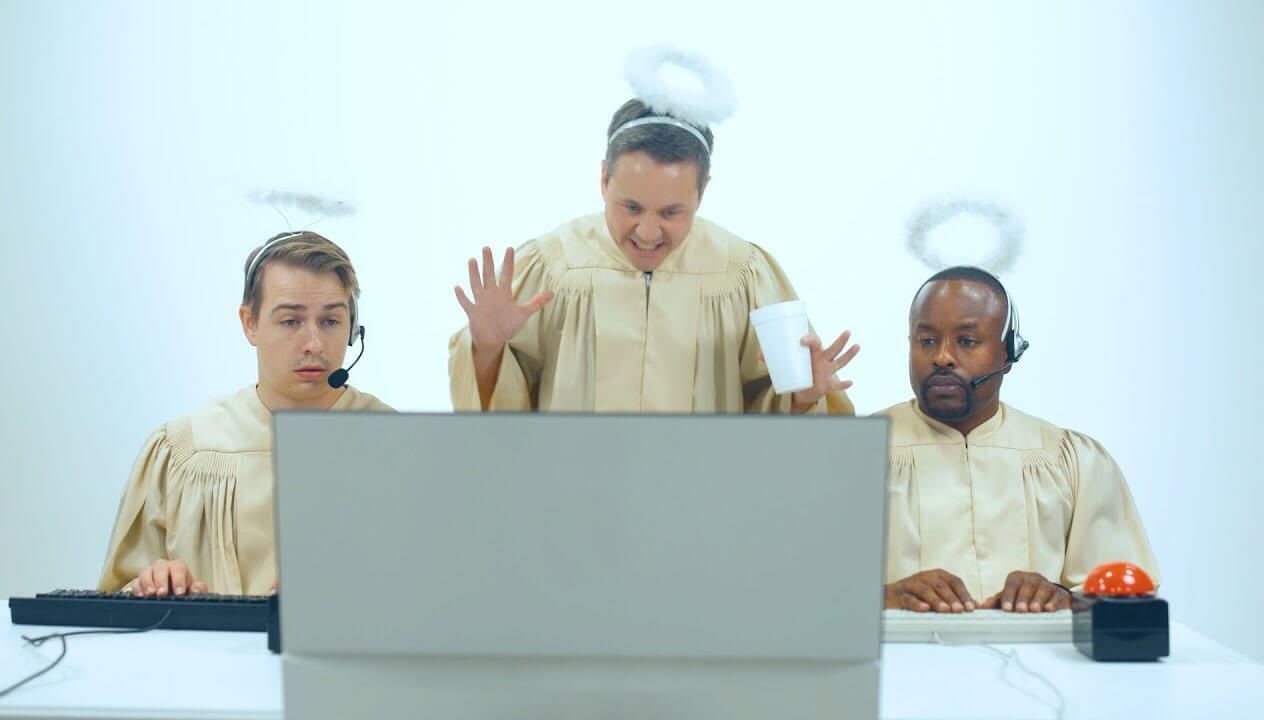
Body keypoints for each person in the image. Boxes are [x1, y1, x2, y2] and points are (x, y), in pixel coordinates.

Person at [448, 97, 857, 413]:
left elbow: (781, 432)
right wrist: (487, 350)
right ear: (604, 179)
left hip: (701, 507)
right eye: (631, 207)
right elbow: (499, 428)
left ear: (702, 191)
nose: (646, 233)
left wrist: (802, 398)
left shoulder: (742, 274)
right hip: (573, 504)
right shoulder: (551, 267)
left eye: (671, 212)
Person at [98, 231, 392, 596]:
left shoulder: (395, 445)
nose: (314, 344)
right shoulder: (182, 449)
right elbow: (114, 599)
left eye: (330, 321)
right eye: (290, 321)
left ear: (352, 327)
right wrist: (152, 585)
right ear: (249, 323)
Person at [881, 266, 1157, 613]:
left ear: (1008, 353)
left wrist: (1062, 598)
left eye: (966, 341)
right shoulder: (855, 455)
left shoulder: (1071, 460)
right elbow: (806, 593)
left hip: (1037, 665)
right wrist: (884, 597)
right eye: (926, 341)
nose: (942, 357)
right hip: (902, 664)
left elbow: (1127, 603)